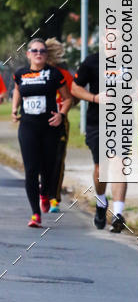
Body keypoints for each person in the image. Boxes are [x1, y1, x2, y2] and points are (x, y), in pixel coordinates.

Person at [71, 49, 138, 233]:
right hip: (97, 122)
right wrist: (95, 98)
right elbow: (75, 88)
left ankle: (118, 214)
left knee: (119, 163)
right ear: (105, 39)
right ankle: (101, 201)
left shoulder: (131, 60)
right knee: (101, 168)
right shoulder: (92, 61)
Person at [12, 39, 72, 227]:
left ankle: (45, 193)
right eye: (35, 51)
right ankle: (35, 214)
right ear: (28, 54)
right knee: (31, 170)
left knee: (48, 167)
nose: (39, 54)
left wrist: (61, 115)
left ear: (47, 55)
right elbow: (17, 91)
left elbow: (67, 98)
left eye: (42, 51)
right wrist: (14, 109)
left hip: (49, 127)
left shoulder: (54, 74)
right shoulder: (21, 73)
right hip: (28, 126)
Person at [45, 38, 75, 212]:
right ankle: (43, 192)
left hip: (59, 121)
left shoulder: (64, 75)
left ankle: (54, 198)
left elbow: (72, 97)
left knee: (57, 160)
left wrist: (63, 109)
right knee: (40, 159)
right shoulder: (31, 74)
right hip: (37, 122)